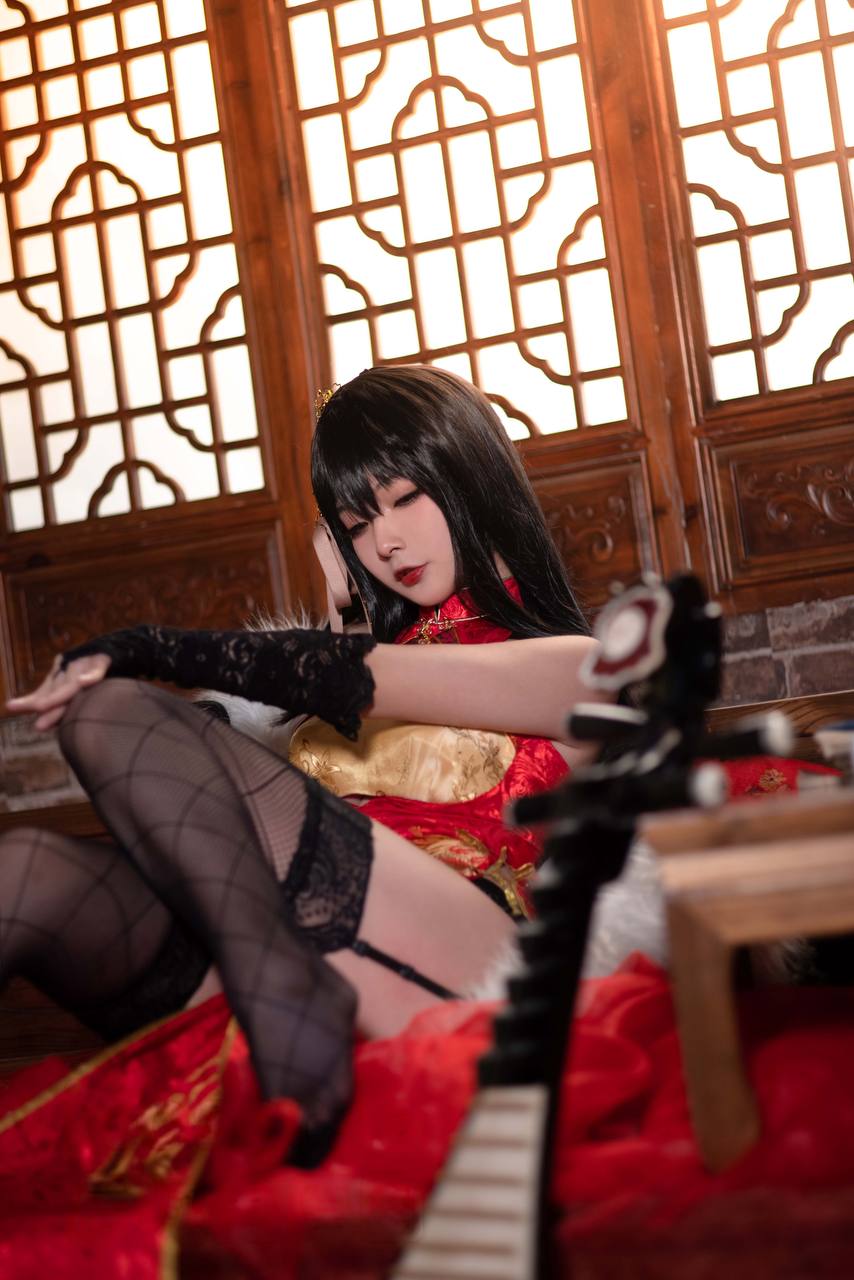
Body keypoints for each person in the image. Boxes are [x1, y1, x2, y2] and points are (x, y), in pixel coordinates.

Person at [1, 365, 609, 1161]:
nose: (385, 543)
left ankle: (286, 999)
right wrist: (342, 608)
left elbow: (359, 679)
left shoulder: (579, 667)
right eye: (356, 526)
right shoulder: (348, 674)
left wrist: (149, 646)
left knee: (120, 711)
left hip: (462, 947)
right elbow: (319, 697)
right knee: (28, 862)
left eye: (405, 499)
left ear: (472, 477)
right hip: (287, 939)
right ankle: (283, 997)